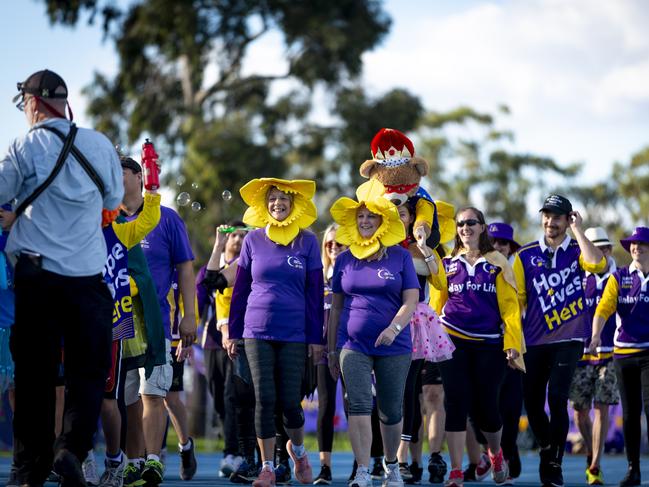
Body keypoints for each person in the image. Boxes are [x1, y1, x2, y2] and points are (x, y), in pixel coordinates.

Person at [0, 69, 123, 487]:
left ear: (33, 103)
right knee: (87, 374)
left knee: (34, 376)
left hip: (38, 277)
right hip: (88, 278)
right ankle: (72, 449)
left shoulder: (24, 144)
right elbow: (112, 199)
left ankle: (29, 467)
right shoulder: (99, 144)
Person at [227, 178, 324, 487]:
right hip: (256, 331)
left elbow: (314, 293)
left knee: (290, 404)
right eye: (272, 199)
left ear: (294, 204)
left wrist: (316, 339)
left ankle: (297, 452)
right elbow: (240, 289)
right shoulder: (251, 240)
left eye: (284, 198)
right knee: (264, 399)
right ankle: (267, 467)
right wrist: (232, 332)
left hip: (295, 333)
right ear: (263, 205)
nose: (277, 203)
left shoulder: (308, 241)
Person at [328, 181, 419, 487]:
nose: (365, 221)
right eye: (360, 216)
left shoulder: (400, 257)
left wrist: (394, 328)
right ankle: (363, 471)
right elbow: (336, 308)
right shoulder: (343, 260)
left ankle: (391, 465)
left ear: (383, 221)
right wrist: (331, 349)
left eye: (371, 216)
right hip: (352, 345)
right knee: (358, 404)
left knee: (391, 410)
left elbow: (411, 300)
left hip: (395, 345)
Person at [513, 194, 605, 487]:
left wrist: (579, 230)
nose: (550, 222)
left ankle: (554, 463)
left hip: (571, 337)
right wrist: (512, 339)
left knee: (558, 398)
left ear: (568, 220)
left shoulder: (579, 250)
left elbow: (597, 264)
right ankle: (546, 447)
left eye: (557, 217)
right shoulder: (525, 255)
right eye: (547, 216)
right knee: (533, 402)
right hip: (535, 340)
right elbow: (516, 301)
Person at [429, 207, 523, 487]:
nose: (465, 227)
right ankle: (456, 471)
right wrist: (431, 342)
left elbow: (510, 308)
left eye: (471, 222)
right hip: (452, 340)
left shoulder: (498, 263)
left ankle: (495, 453)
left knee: (486, 408)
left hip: (489, 344)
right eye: (460, 224)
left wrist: (513, 343)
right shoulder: (447, 263)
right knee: (455, 402)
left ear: (483, 227)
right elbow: (436, 304)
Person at [121, 157, 197, 486]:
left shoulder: (166, 219)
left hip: (158, 322)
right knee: (127, 399)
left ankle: (155, 460)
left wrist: (190, 315)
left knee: (157, 394)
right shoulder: (105, 220)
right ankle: (132, 462)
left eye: (120, 173)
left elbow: (185, 268)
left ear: (140, 177)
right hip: (118, 323)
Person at [461, 222, 524, 484]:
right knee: (475, 404)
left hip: (512, 348)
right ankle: (489, 450)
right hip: (482, 346)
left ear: (510, 247)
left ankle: (506, 455)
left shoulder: (518, 269)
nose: (497, 246)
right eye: (494, 241)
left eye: (502, 243)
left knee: (509, 408)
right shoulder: (479, 267)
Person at [589, 226, 649, 487]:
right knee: (630, 413)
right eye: (633, 245)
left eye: (642, 244)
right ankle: (633, 469)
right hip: (623, 354)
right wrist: (594, 335)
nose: (636, 248)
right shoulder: (619, 277)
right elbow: (603, 309)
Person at [198, 221, 249, 478]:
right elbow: (200, 292)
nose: (238, 240)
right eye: (235, 235)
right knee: (218, 395)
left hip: (239, 340)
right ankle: (230, 434)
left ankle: (233, 452)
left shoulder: (249, 265)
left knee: (232, 395)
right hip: (213, 341)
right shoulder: (213, 266)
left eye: (243, 235)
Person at [569, 227, 619, 486]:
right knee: (579, 412)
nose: (598, 251)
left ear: (609, 250)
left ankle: (595, 465)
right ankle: (591, 451)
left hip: (610, 352)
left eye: (603, 247)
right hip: (580, 353)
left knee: (601, 408)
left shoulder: (619, 277)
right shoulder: (577, 277)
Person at [314, 223, 347, 485]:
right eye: (329, 244)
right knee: (325, 405)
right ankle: (324, 467)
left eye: (339, 243)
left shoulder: (352, 271)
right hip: (323, 349)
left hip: (351, 347)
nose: (334, 248)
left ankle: (364, 464)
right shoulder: (318, 274)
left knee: (356, 406)